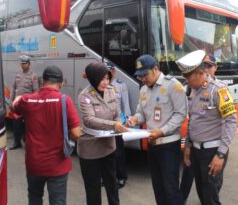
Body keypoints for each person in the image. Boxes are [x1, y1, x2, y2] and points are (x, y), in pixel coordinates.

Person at [12, 65, 81, 205]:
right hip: (58, 165)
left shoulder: (27, 100)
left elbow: (14, 107)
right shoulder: (64, 100)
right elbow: (76, 134)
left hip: (34, 163)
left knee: (35, 198)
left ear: (42, 81)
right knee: (58, 201)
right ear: (61, 83)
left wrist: (17, 98)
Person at [176, 50, 237, 205]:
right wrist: (188, 146)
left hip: (213, 152)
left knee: (210, 197)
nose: (186, 80)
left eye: (188, 76)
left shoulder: (218, 90)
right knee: (203, 194)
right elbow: (192, 120)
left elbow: (231, 121)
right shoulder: (192, 90)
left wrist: (221, 155)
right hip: (196, 151)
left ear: (199, 73)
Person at [128, 55, 187, 205]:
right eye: (140, 76)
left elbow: (181, 114)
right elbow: (141, 113)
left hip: (168, 145)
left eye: (145, 75)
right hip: (152, 145)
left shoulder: (173, 86)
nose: (143, 79)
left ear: (156, 69)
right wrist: (135, 119)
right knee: (158, 188)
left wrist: (162, 130)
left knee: (171, 189)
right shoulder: (143, 90)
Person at [77, 62, 128, 205]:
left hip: (108, 147)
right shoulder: (85, 96)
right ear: (93, 78)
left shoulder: (111, 90)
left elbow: (117, 113)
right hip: (90, 149)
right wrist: (114, 125)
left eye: (107, 78)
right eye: (102, 79)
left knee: (112, 185)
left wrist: (120, 122)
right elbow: (89, 120)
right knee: (93, 188)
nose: (105, 82)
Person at [107, 62, 131, 188]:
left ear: (114, 71)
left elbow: (125, 106)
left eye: (109, 70)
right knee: (105, 152)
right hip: (105, 123)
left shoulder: (121, 85)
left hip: (117, 122)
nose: (107, 73)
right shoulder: (100, 85)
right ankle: (107, 178)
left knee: (118, 152)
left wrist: (126, 121)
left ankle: (121, 177)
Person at [9, 54, 39, 150]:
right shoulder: (18, 75)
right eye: (21, 63)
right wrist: (11, 102)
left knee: (28, 124)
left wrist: (34, 105)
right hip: (18, 105)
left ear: (29, 64)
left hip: (28, 104)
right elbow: (13, 89)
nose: (22, 65)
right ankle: (17, 142)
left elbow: (36, 92)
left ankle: (28, 142)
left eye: (24, 63)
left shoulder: (33, 76)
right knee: (16, 123)